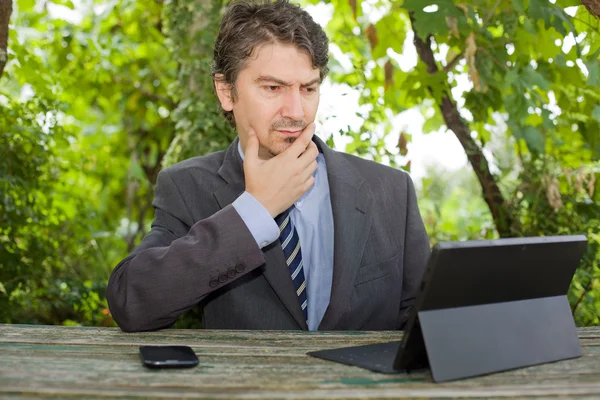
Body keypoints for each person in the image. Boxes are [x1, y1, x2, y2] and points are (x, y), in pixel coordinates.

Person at [107, 0, 430, 332]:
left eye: (308, 88)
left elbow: (423, 323)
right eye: (273, 88)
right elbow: (132, 303)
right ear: (226, 91)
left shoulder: (391, 191)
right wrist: (254, 212)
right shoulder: (188, 187)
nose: (296, 111)